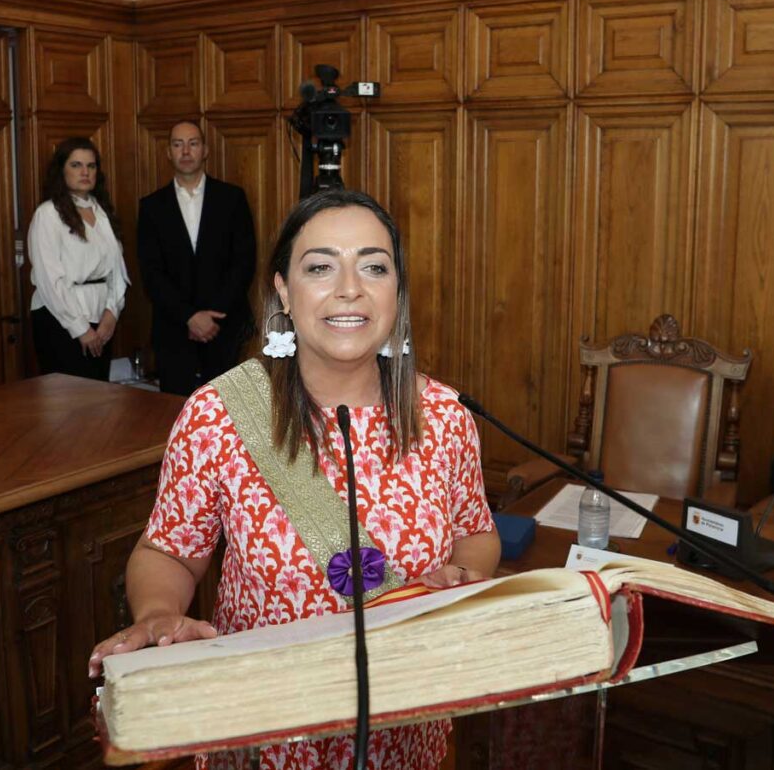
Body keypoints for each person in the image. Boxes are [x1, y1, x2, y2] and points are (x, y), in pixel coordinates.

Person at [89, 189, 501, 769]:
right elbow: (171, 552)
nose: (349, 288)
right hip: (266, 736)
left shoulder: (445, 417)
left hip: (408, 736)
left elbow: (476, 532)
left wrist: (467, 575)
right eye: (321, 267)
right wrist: (158, 613)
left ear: (397, 291)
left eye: (374, 267)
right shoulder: (220, 414)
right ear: (283, 287)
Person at [137, 120, 256, 395]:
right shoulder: (152, 207)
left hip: (224, 328)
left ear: (205, 150)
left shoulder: (232, 198)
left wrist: (210, 318)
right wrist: (189, 317)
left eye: (193, 143)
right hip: (173, 330)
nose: (186, 151)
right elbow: (151, 273)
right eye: (178, 144)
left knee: (227, 414)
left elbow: (243, 263)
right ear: (168, 152)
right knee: (173, 412)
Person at [28, 137, 129, 380]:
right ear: (61, 170)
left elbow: (117, 271)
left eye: (91, 166)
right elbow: (49, 280)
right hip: (61, 320)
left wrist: (111, 314)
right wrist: (80, 329)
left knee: (99, 403)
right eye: (76, 165)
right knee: (67, 403)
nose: (85, 172)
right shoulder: (48, 215)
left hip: (101, 319)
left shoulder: (102, 212)